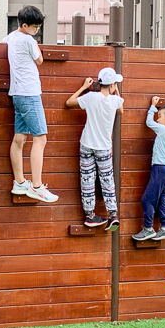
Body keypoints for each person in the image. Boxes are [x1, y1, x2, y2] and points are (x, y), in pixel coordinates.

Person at [3, 5, 58, 203]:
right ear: (25, 25)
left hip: (17, 94)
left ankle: (19, 182)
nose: (37, 30)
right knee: (40, 139)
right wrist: (34, 41)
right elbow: (40, 60)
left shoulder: (10, 38)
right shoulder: (28, 39)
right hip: (30, 94)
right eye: (35, 27)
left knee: (19, 138)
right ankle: (36, 186)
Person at [65, 68, 124, 231]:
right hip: (103, 147)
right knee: (107, 180)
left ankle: (90, 215)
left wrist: (84, 87)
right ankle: (113, 214)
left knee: (87, 179)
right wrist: (116, 91)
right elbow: (121, 110)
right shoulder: (115, 101)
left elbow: (69, 102)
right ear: (112, 84)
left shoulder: (90, 97)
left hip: (87, 143)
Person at [132, 96, 165, 241]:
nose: (157, 119)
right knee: (162, 198)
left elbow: (149, 122)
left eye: (160, 116)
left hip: (160, 169)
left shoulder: (164, 130)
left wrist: (152, 107)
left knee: (147, 199)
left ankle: (148, 228)